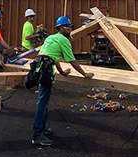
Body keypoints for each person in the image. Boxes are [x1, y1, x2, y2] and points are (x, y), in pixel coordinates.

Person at [32, 15, 94, 147]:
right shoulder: (64, 40)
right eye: (66, 27)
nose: (69, 29)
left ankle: (41, 128)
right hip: (46, 69)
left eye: (70, 27)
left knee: (43, 100)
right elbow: (73, 61)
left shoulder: (51, 37)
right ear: (60, 28)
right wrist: (84, 74)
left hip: (40, 67)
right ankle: (37, 135)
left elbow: (52, 57)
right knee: (42, 102)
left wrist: (61, 72)